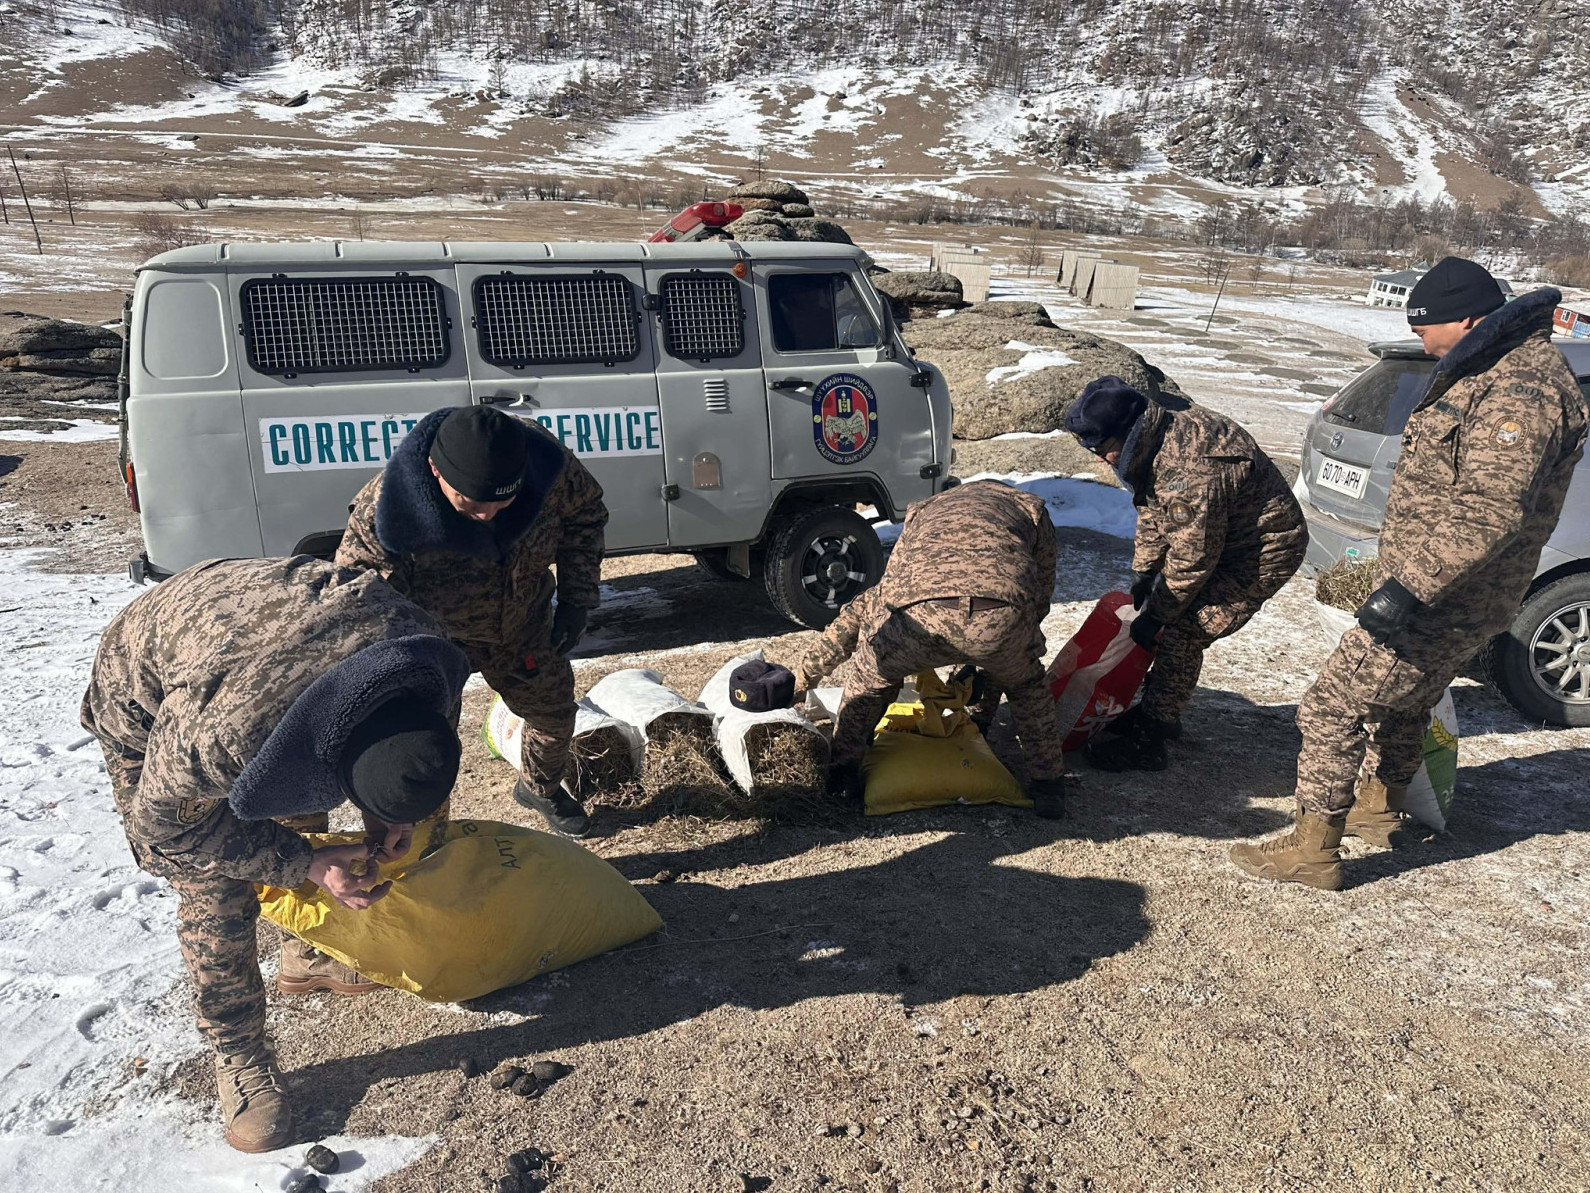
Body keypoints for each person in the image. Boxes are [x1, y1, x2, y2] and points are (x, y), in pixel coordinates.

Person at [81, 556, 469, 1152]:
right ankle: (238, 1059)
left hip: (253, 646)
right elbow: (166, 835)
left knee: (285, 815)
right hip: (147, 689)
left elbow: (408, 744)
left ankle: (303, 954)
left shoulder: (425, 659)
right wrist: (305, 863)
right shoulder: (218, 739)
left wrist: (391, 810)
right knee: (212, 880)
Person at [1231, 259, 1589, 889]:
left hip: (1447, 594)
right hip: (1442, 586)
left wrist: (1406, 588)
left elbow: (1489, 510)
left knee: (1329, 708)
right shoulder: (1485, 369)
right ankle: (1380, 807)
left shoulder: (1522, 387)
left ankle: (1313, 851)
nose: (1419, 339)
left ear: (1469, 319)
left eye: (1425, 327)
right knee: (1407, 703)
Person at [336, 405, 608, 837]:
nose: (488, 516)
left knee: (554, 716)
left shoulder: (544, 464)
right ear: (435, 472)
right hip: (434, 647)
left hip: (522, 628)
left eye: (504, 502)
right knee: (428, 754)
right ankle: (427, 840)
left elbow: (585, 517)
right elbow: (363, 605)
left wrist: (578, 599)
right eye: (471, 505)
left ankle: (539, 787)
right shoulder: (385, 512)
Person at [1064, 377, 1307, 770]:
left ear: (1127, 434)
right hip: (1222, 540)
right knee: (1168, 616)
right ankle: (1159, 705)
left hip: (1261, 551)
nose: (1100, 460)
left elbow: (1193, 558)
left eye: (1104, 450)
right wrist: (1144, 569)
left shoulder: (1189, 470)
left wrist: (1158, 614)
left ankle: (1153, 734)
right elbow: (1152, 507)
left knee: (1182, 629)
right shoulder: (1155, 438)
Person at [790, 479, 1066, 818]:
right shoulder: (1029, 508)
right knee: (1026, 686)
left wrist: (805, 676)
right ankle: (1048, 785)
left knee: (870, 676)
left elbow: (889, 592)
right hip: (1001, 617)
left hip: (919, 616)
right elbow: (1041, 590)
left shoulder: (922, 512)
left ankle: (843, 772)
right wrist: (1014, 644)